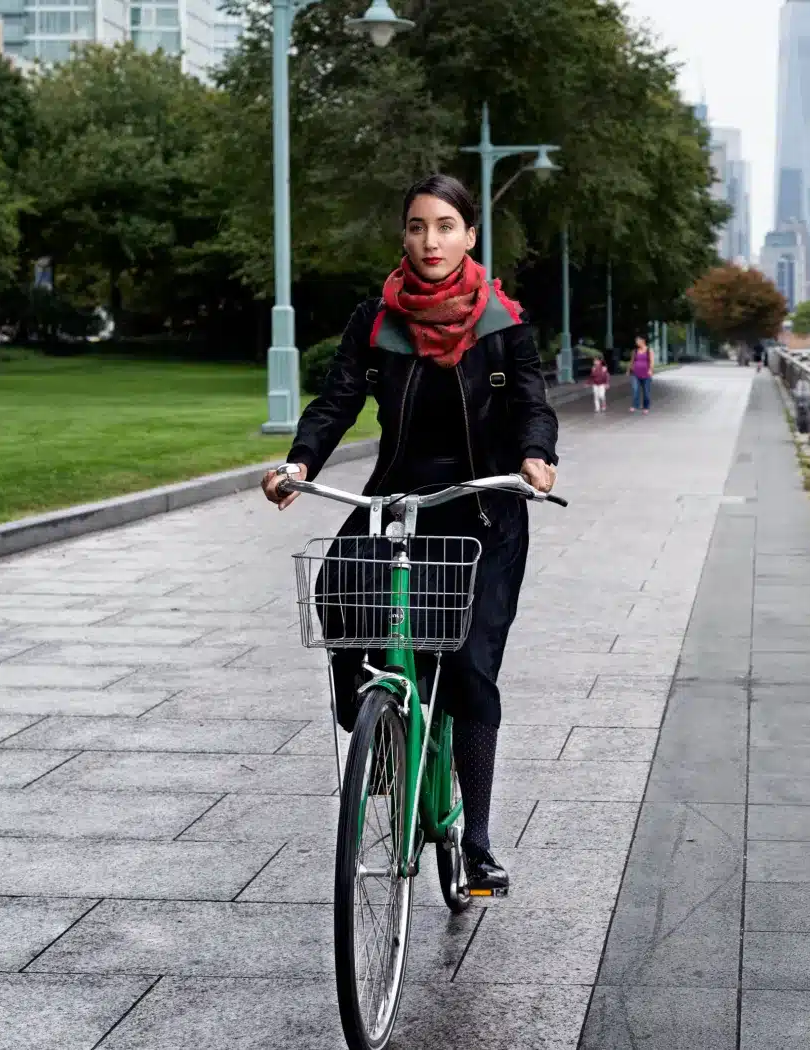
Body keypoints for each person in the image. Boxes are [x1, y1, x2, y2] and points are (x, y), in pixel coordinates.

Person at [261, 174, 559, 895]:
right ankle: (378, 725)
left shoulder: (504, 323)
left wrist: (536, 457)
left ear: (469, 236)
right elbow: (335, 402)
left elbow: (531, 405)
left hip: (482, 511)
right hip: (396, 503)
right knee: (336, 592)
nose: (432, 240)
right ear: (404, 234)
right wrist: (299, 461)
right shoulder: (375, 320)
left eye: (446, 226)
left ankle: (479, 841)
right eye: (419, 226)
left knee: (466, 667)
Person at [629, 336, 653, 414]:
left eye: (638, 341)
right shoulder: (635, 351)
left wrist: (650, 370)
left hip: (646, 374)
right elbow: (632, 361)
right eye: (636, 341)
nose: (636, 342)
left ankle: (646, 407)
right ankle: (635, 405)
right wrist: (630, 369)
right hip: (636, 374)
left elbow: (652, 362)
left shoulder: (649, 350)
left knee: (646, 392)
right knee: (635, 390)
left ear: (643, 341)